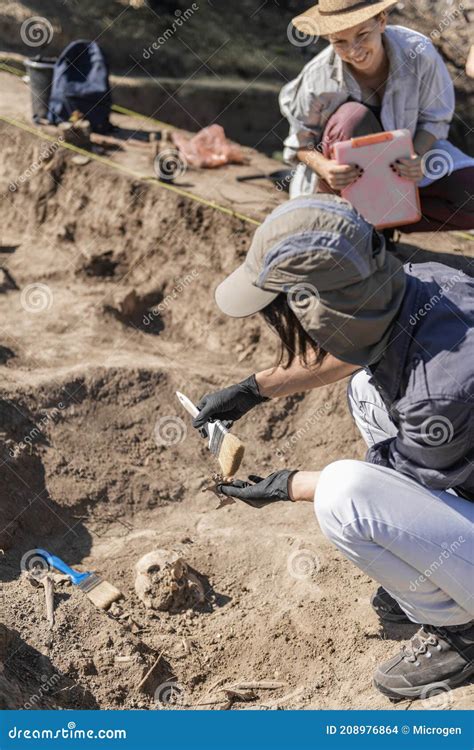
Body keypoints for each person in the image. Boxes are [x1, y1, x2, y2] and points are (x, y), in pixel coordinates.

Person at [192, 195, 474, 700]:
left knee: (344, 497)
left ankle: (463, 632)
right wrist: (253, 390)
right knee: (366, 388)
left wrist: (290, 485)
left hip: (449, 442)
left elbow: (382, 482)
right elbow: (360, 343)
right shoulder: (425, 282)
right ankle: (439, 568)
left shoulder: (440, 390)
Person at [279, 0, 474, 233]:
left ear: (381, 21)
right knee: (353, 117)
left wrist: (418, 156)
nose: (354, 50)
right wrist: (325, 168)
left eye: (362, 35)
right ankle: (351, 228)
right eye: (340, 42)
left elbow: (435, 118)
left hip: (402, 171)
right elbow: (301, 144)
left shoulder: (419, 53)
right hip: (342, 182)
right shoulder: (318, 76)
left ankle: (386, 224)